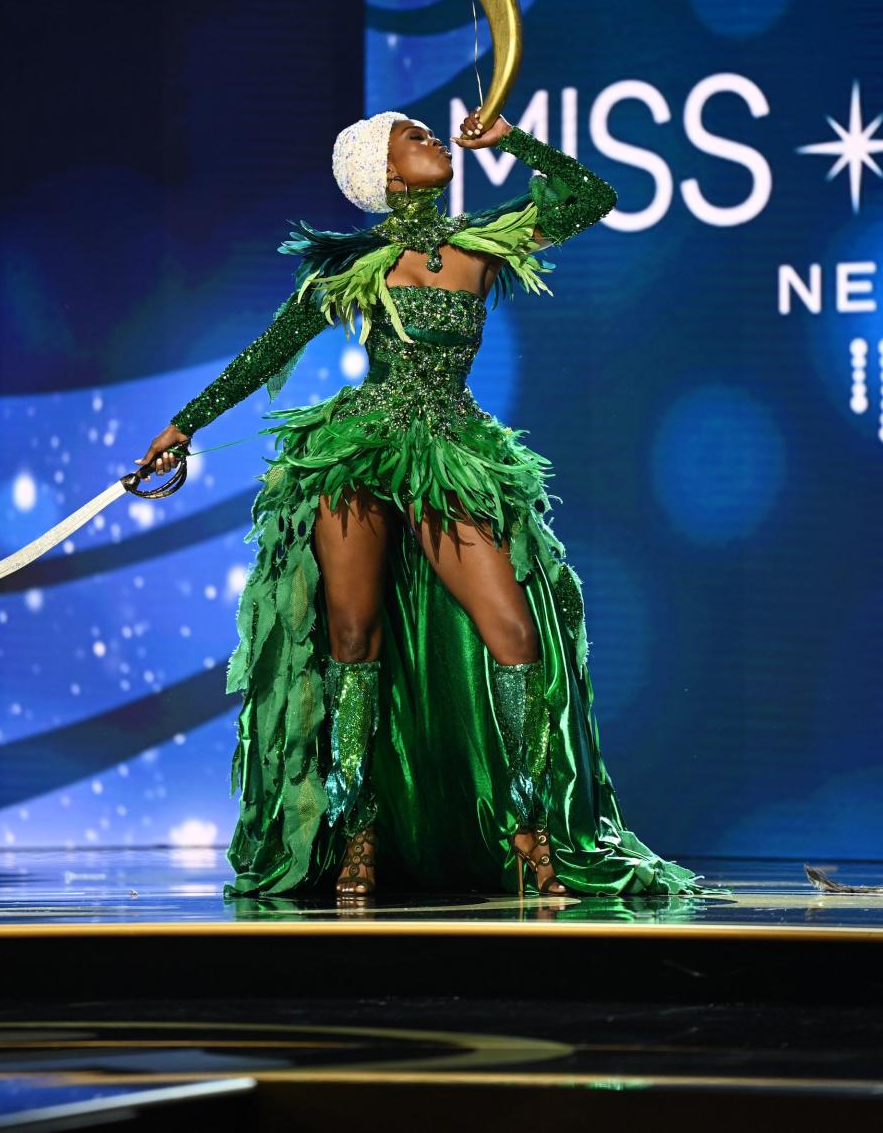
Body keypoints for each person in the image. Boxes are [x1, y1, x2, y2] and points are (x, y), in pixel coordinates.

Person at [140, 109, 709, 903]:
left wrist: (510, 139)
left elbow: (591, 195)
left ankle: (532, 830)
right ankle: (357, 832)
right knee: (351, 635)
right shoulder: (357, 265)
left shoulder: (481, 246)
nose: (435, 139)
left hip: (452, 455)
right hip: (361, 453)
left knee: (514, 632)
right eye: (415, 137)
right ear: (386, 174)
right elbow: (267, 350)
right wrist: (183, 425)